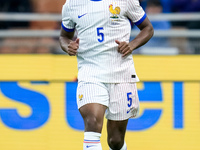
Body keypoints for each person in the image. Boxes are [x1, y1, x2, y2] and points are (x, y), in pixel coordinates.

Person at [59, 0, 153, 150]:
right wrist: (68, 46)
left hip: (121, 73)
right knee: (92, 121)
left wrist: (131, 45)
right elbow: (64, 36)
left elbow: (148, 28)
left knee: (115, 141)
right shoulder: (72, 4)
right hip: (90, 73)